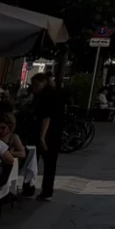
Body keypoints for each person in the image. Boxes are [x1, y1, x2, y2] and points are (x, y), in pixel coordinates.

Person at [30, 72, 64, 202]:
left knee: (33, 160)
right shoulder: (56, 94)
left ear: (44, 82)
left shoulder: (46, 96)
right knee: (50, 165)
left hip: (46, 134)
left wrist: (42, 137)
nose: (34, 89)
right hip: (56, 133)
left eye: (36, 85)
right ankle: (47, 191)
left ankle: (30, 188)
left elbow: (46, 118)